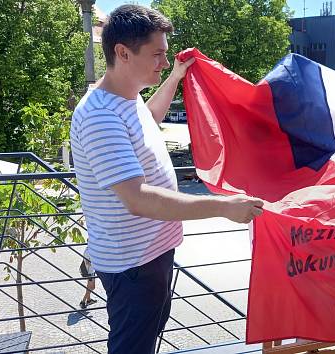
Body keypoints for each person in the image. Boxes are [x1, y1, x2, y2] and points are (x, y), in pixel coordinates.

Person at [69, 5, 264, 354]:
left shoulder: (126, 99)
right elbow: (138, 199)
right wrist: (223, 207)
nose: (162, 60)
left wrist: (175, 76)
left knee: (145, 339)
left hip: (152, 256)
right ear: (123, 53)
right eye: (157, 54)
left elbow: (150, 117)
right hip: (133, 266)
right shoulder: (99, 115)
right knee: (131, 347)